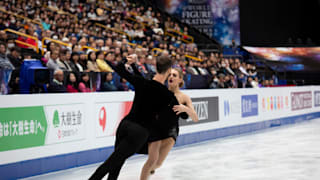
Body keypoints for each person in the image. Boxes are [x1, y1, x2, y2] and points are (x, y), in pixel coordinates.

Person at [89, 55, 181, 180]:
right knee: (111, 163)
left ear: (156, 66)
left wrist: (128, 61)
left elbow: (120, 69)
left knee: (116, 162)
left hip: (125, 125)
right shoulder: (167, 95)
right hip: (139, 131)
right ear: (169, 71)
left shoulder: (143, 82)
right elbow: (182, 115)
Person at [140, 68, 199, 180]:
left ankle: (151, 170)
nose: (171, 77)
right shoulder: (160, 92)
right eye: (169, 75)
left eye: (174, 75)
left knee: (158, 163)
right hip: (155, 130)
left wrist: (185, 108)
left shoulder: (184, 97)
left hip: (170, 132)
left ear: (180, 79)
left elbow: (195, 118)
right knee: (151, 161)